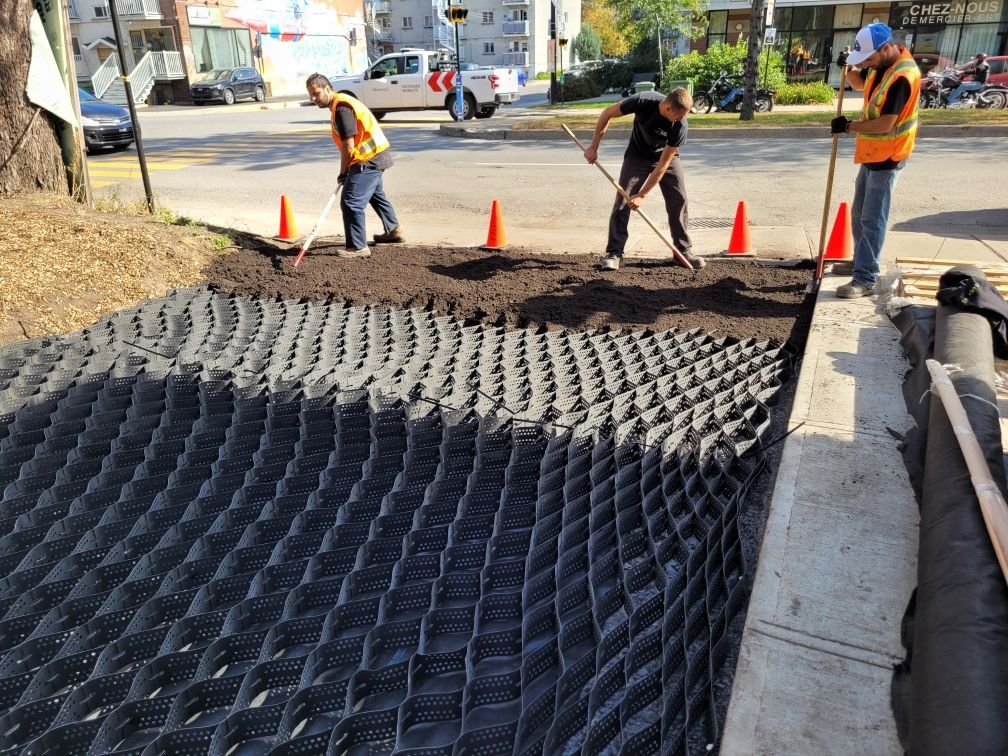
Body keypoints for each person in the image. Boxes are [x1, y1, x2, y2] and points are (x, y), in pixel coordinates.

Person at [830, 23, 920, 299]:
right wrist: (850, 68)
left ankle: (866, 278)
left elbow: (885, 124)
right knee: (858, 214)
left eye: (868, 59)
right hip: (872, 155)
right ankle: (860, 262)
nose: (866, 64)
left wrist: (849, 127)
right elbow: (859, 82)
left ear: (885, 48)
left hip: (889, 156)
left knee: (872, 219)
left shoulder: (903, 77)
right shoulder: (880, 66)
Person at [583, 88, 704, 272]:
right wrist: (593, 147)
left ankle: (682, 252)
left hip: (665, 157)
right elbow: (607, 113)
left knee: (678, 198)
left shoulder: (680, 125)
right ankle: (614, 253)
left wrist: (643, 195)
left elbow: (662, 165)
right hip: (637, 154)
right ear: (669, 108)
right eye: (679, 116)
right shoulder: (643, 101)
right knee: (623, 200)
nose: (682, 120)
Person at [305, 73, 403, 258]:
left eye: (316, 93)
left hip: (368, 158)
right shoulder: (340, 103)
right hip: (376, 154)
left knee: (351, 201)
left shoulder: (342, 107)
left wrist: (343, 172)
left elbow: (348, 145)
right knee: (375, 194)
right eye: (310, 95)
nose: (313, 98)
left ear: (328, 89)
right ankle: (393, 230)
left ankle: (358, 247)